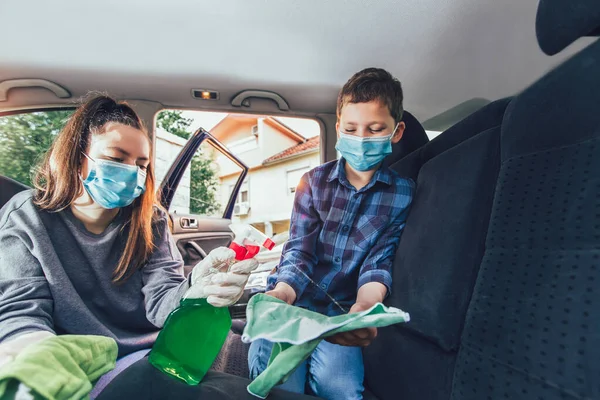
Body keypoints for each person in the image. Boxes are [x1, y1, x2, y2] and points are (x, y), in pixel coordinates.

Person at [0, 94, 258, 396]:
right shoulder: (27, 216)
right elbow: (22, 309)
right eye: (115, 158)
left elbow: (162, 302)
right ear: (77, 157)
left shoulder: (151, 220)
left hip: (156, 351)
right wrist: (37, 353)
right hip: (82, 362)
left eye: (141, 164)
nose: (130, 172)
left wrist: (193, 289)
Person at [248, 68, 415, 399]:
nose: (362, 138)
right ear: (338, 128)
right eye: (351, 129)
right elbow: (299, 250)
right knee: (279, 384)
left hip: (341, 312)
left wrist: (366, 307)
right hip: (292, 300)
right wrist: (282, 293)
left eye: (375, 129)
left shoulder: (403, 194)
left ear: (396, 132)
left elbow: (381, 258)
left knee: (340, 388)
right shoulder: (313, 182)